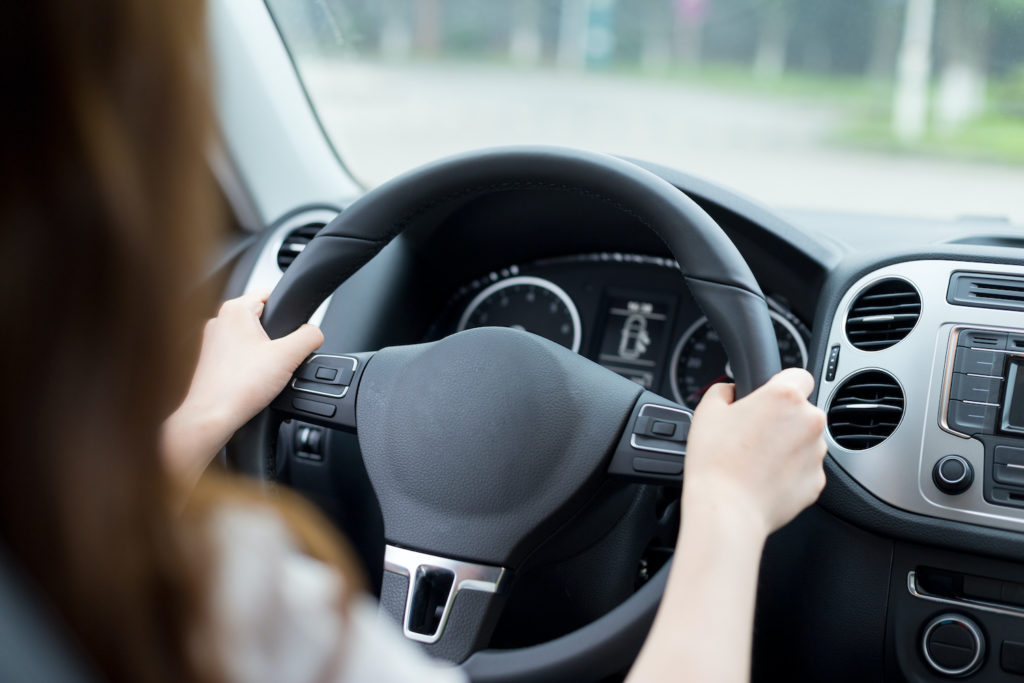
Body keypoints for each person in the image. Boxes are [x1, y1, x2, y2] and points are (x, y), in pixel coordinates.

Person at [0, 1, 827, 682]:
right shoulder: (243, 612)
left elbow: (91, 537)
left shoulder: (86, 580)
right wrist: (729, 502)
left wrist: (206, 410)